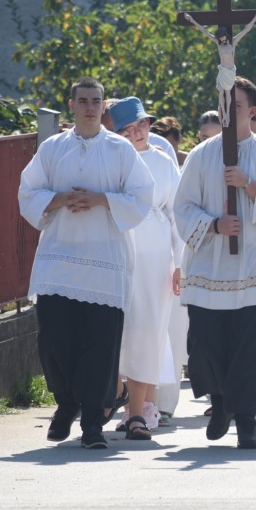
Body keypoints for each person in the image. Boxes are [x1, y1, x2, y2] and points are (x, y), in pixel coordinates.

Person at [18, 76, 154, 449]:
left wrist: (100, 199)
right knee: (54, 340)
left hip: (104, 258)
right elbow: (28, 191)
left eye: (96, 101)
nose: (90, 107)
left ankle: (92, 422)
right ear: (72, 105)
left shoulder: (120, 149)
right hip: (59, 258)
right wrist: (61, 199)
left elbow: (142, 195)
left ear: (103, 106)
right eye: (83, 101)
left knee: (100, 345)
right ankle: (66, 402)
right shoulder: (52, 148)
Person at [173, 76, 256, 449]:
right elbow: (183, 207)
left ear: (253, 111)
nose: (229, 111)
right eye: (224, 104)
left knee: (253, 348)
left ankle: (246, 422)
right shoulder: (201, 155)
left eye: (238, 105)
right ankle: (219, 404)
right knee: (206, 342)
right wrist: (215, 225)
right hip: (210, 265)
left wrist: (249, 185)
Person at [107, 97, 183, 440]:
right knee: (120, 327)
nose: (138, 132)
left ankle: (138, 409)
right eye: (128, 128)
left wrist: (180, 263)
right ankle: (126, 399)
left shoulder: (164, 161)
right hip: (119, 249)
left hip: (155, 256)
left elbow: (177, 214)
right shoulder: (110, 158)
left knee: (149, 329)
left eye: (142, 124)